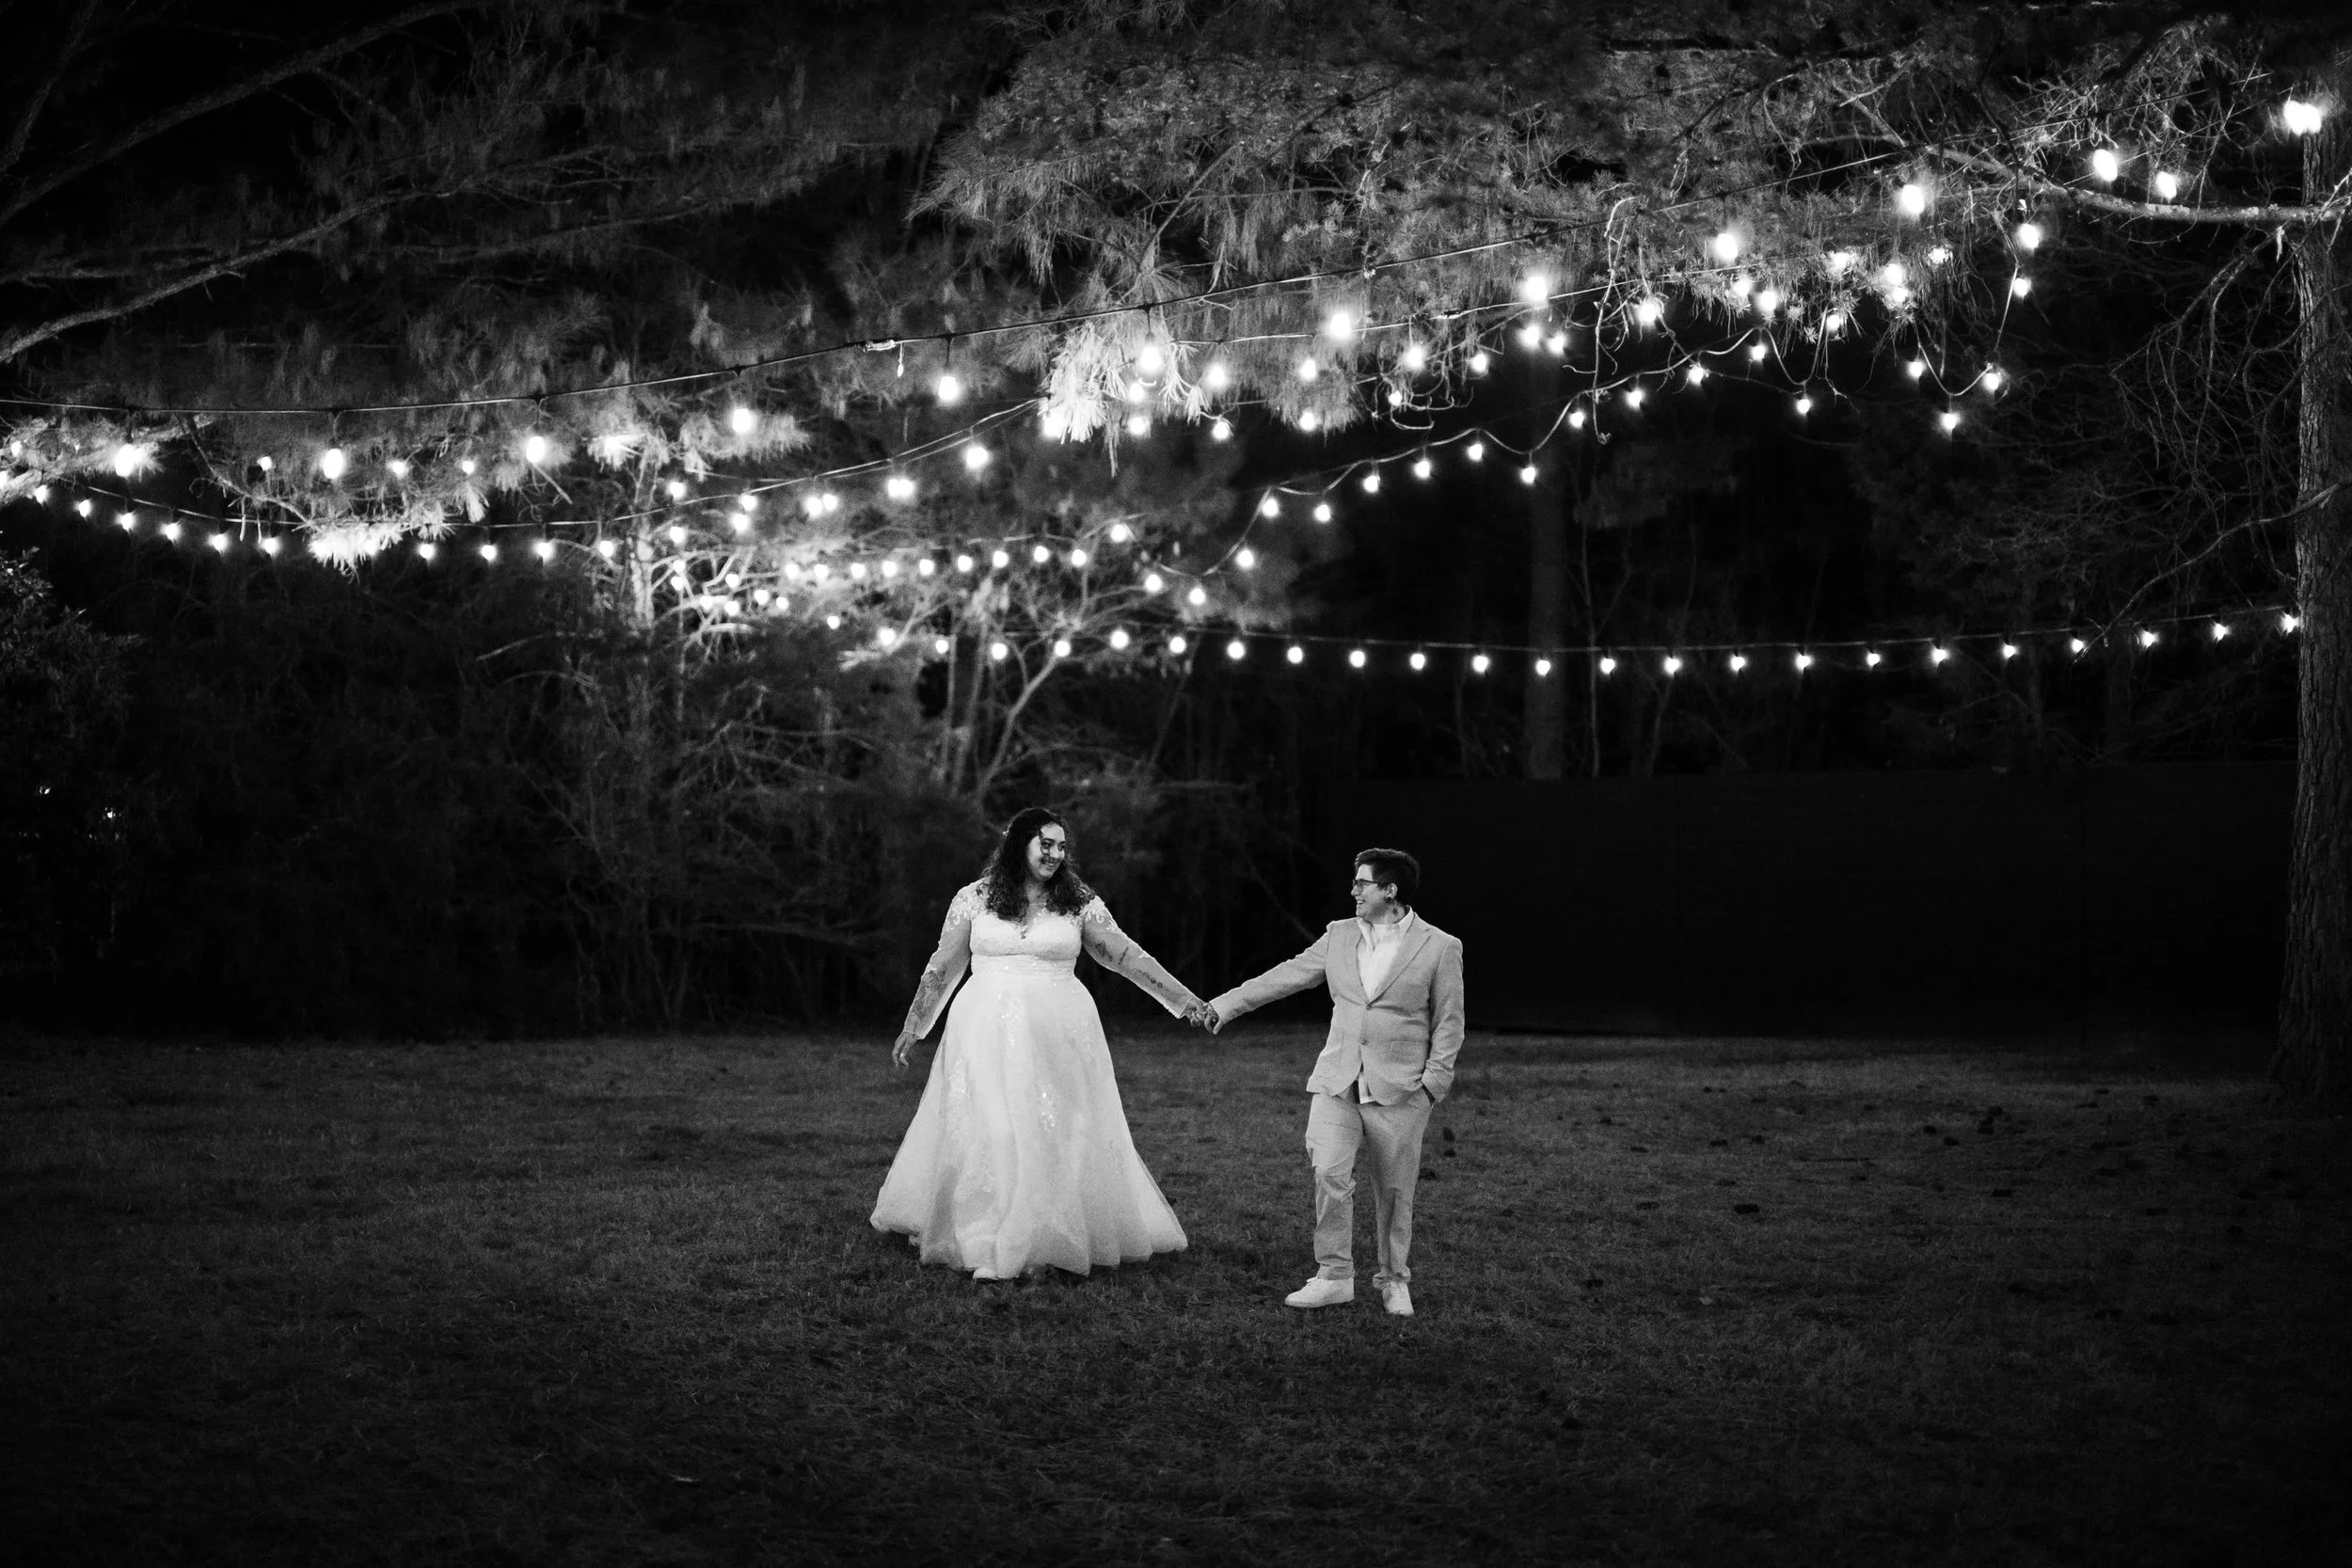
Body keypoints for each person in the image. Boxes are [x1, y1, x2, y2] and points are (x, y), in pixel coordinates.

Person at [872, 806, 1213, 1279]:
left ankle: (1047, 1234)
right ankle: (984, 1232)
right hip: (982, 1030)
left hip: (1059, 1032)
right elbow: (943, 964)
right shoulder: (975, 898)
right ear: (1020, 844)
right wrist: (916, 1024)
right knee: (991, 1126)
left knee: (1055, 1127)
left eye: (1061, 846)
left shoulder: (1077, 901)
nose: (1055, 854)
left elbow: (1126, 955)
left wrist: (1183, 999)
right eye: (1045, 844)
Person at [1196, 848, 1464, 1317]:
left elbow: (1449, 1022)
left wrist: (1430, 1087)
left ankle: (1394, 1279)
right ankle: (1334, 1276)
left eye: (1362, 883)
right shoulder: (1339, 934)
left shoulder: (1440, 946)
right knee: (1328, 1172)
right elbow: (1288, 975)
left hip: (1402, 1091)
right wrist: (1226, 1005)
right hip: (1337, 1080)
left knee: (1395, 1192)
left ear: (1390, 890)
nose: (1353, 890)